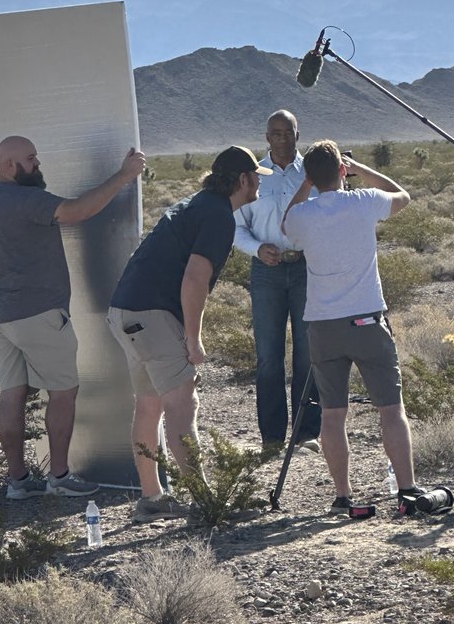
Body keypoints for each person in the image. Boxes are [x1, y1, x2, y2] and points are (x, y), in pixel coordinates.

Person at [0, 135, 146, 499]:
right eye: (31, 159)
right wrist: (124, 176)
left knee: (11, 395)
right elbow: (78, 210)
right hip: (38, 315)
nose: (38, 164)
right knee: (64, 392)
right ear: (9, 165)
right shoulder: (27, 200)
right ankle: (60, 477)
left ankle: (18, 482)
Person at [107, 146, 271, 521]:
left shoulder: (198, 204)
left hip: (125, 311)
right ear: (241, 180)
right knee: (183, 405)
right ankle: (204, 503)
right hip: (153, 315)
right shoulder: (218, 216)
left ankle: (152, 498)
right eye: (255, 175)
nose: (259, 181)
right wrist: (193, 339)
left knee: (149, 405)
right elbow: (195, 279)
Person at [282, 140, 422, 514]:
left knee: (332, 414)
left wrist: (307, 183)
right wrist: (362, 169)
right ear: (343, 171)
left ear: (310, 175)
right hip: (366, 320)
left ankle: (343, 495)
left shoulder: (304, 215)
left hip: (323, 327)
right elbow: (403, 196)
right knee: (391, 410)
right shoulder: (364, 201)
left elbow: (286, 223)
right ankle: (406, 490)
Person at [233, 109, 321, 452]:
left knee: (307, 352)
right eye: (276, 133)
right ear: (267, 137)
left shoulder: (312, 172)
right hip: (266, 272)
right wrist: (256, 249)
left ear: (298, 134)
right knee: (269, 356)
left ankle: (307, 434)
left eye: (288, 132)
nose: (282, 138)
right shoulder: (253, 176)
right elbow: (235, 226)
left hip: (306, 268)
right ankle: (271, 437)